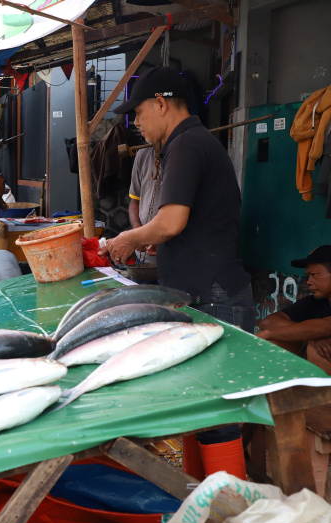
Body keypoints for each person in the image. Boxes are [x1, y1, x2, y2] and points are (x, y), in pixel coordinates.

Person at [99, 66, 252, 473]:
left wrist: (129, 238)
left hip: (213, 293)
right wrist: (154, 238)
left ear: (161, 104)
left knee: (216, 414)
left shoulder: (186, 146)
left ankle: (224, 508)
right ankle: (201, 501)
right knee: (199, 408)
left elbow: (170, 222)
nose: (136, 123)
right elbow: (184, 224)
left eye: (139, 113)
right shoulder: (191, 143)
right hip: (204, 290)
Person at [256, 245, 331, 369]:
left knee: (318, 351)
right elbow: (268, 322)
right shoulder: (316, 301)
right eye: (308, 276)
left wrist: (267, 334)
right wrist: (309, 336)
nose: (308, 282)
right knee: (280, 341)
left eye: (314, 275)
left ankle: (317, 389)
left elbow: (325, 327)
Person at [128, 143, 162, 266]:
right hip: (143, 258)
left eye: (141, 121)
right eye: (136, 121)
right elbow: (134, 202)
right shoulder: (143, 154)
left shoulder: (181, 154)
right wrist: (137, 229)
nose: (137, 123)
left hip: (175, 261)